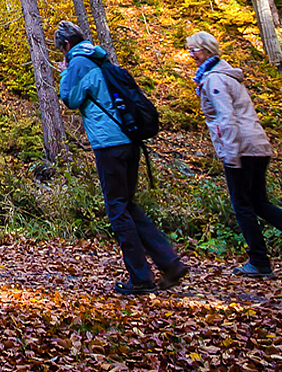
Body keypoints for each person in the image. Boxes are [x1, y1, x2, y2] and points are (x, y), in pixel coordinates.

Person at [56, 20, 189, 295]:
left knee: (117, 210)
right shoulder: (98, 57)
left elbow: (69, 98)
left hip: (109, 144)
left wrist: (63, 74)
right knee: (128, 205)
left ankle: (141, 278)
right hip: (128, 140)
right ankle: (169, 263)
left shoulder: (78, 63)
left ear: (66, 45)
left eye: (61, 49)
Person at [187, 31, 282, 279]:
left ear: (207, 50)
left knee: (242, 205)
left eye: (194, 50)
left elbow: (226, 118)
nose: (191, 55)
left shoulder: (214, 80)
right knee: (259, 202)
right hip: (257, 145)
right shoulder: (227, 75)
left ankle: (259, 261)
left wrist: (230, 153)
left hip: (241, 148)